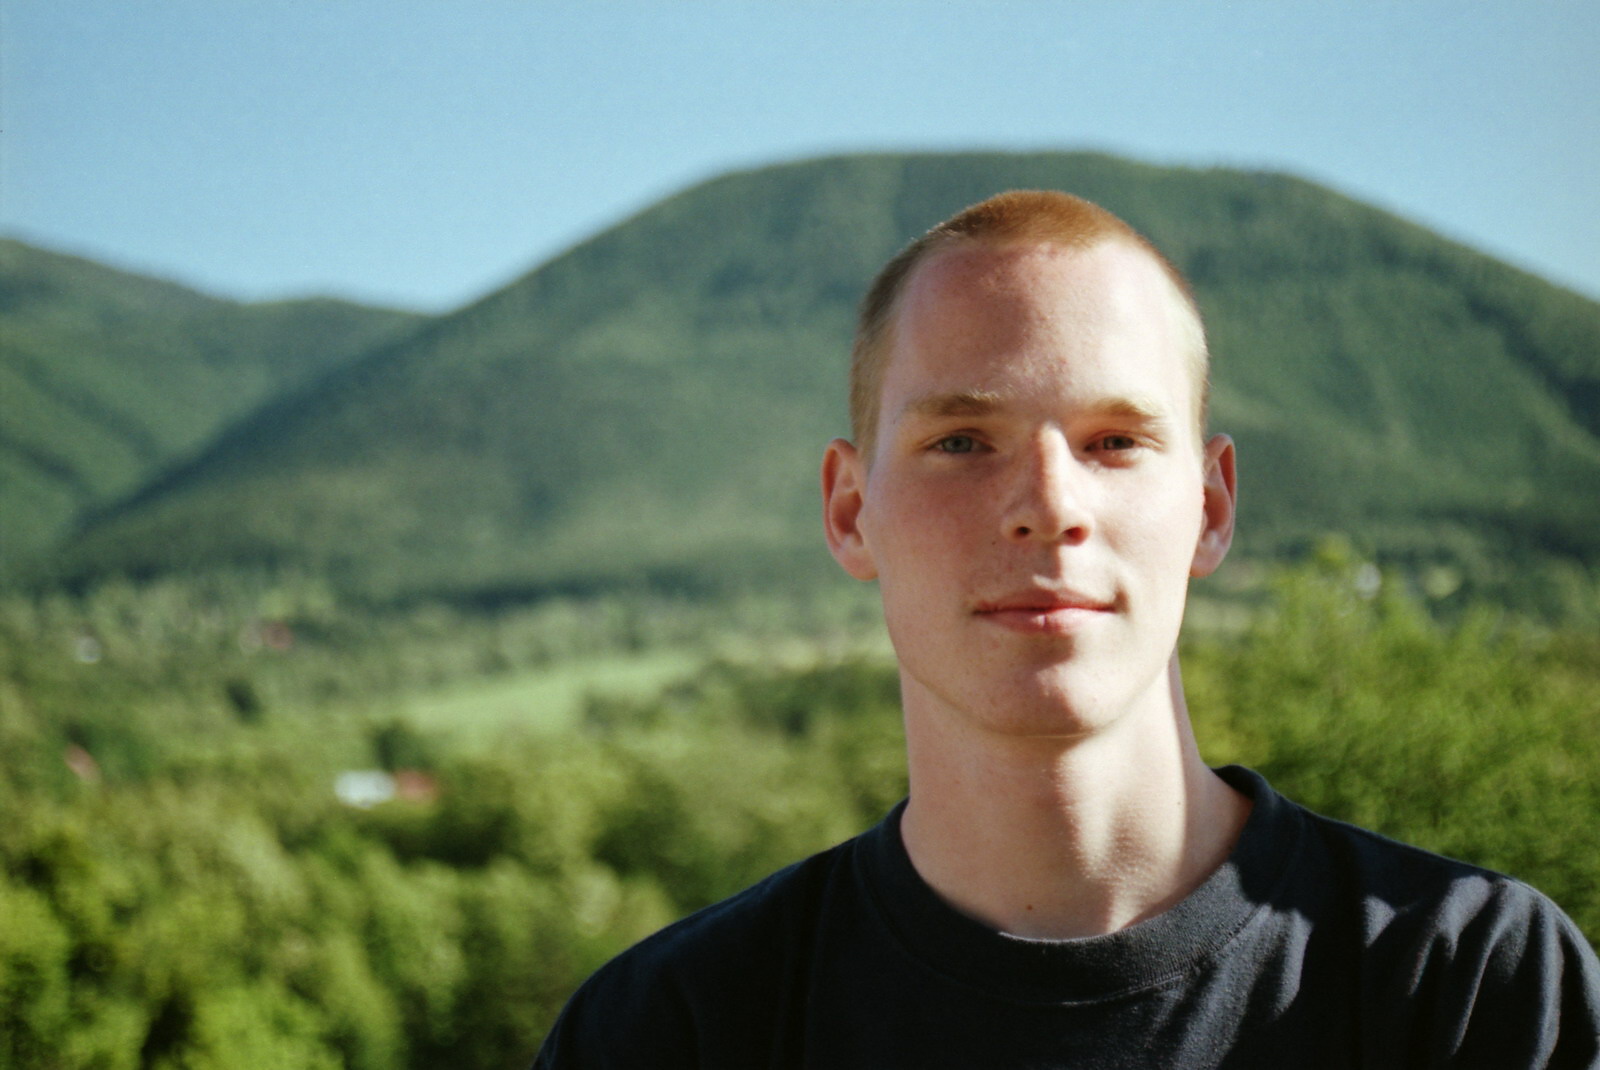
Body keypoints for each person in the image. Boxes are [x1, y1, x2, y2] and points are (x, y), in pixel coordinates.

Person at [532, 191, 1600, 1068]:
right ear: (851, 511)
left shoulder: (1466, 982)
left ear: (1211, 507)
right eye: (962, 440)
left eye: (1114, 440)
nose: (1048, 506)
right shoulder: (670, 1030)